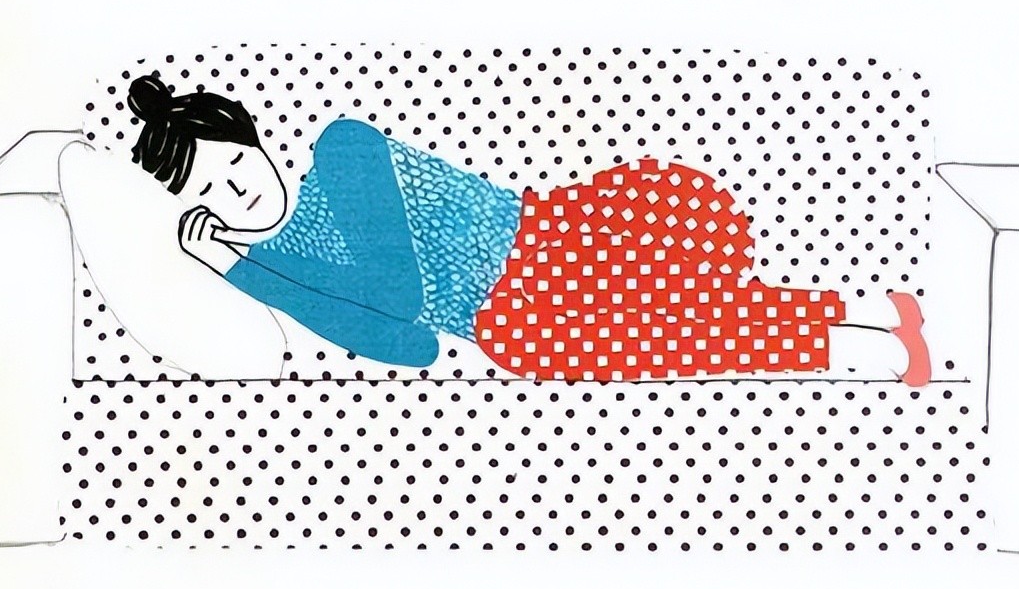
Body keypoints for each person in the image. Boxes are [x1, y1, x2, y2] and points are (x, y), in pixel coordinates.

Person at [126, 73, 931, 385]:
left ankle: (866, 321)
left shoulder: (342, 150)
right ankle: (862, 341)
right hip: (511, 322)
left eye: (235, 163)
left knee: (691, 302)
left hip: (550, 239)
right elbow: (407, 345)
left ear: (256, 140)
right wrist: (241, 271)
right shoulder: (279, 270)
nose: (239, 191)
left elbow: (396, 292)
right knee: (683, 334)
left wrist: (263, 273)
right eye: (212, 193)